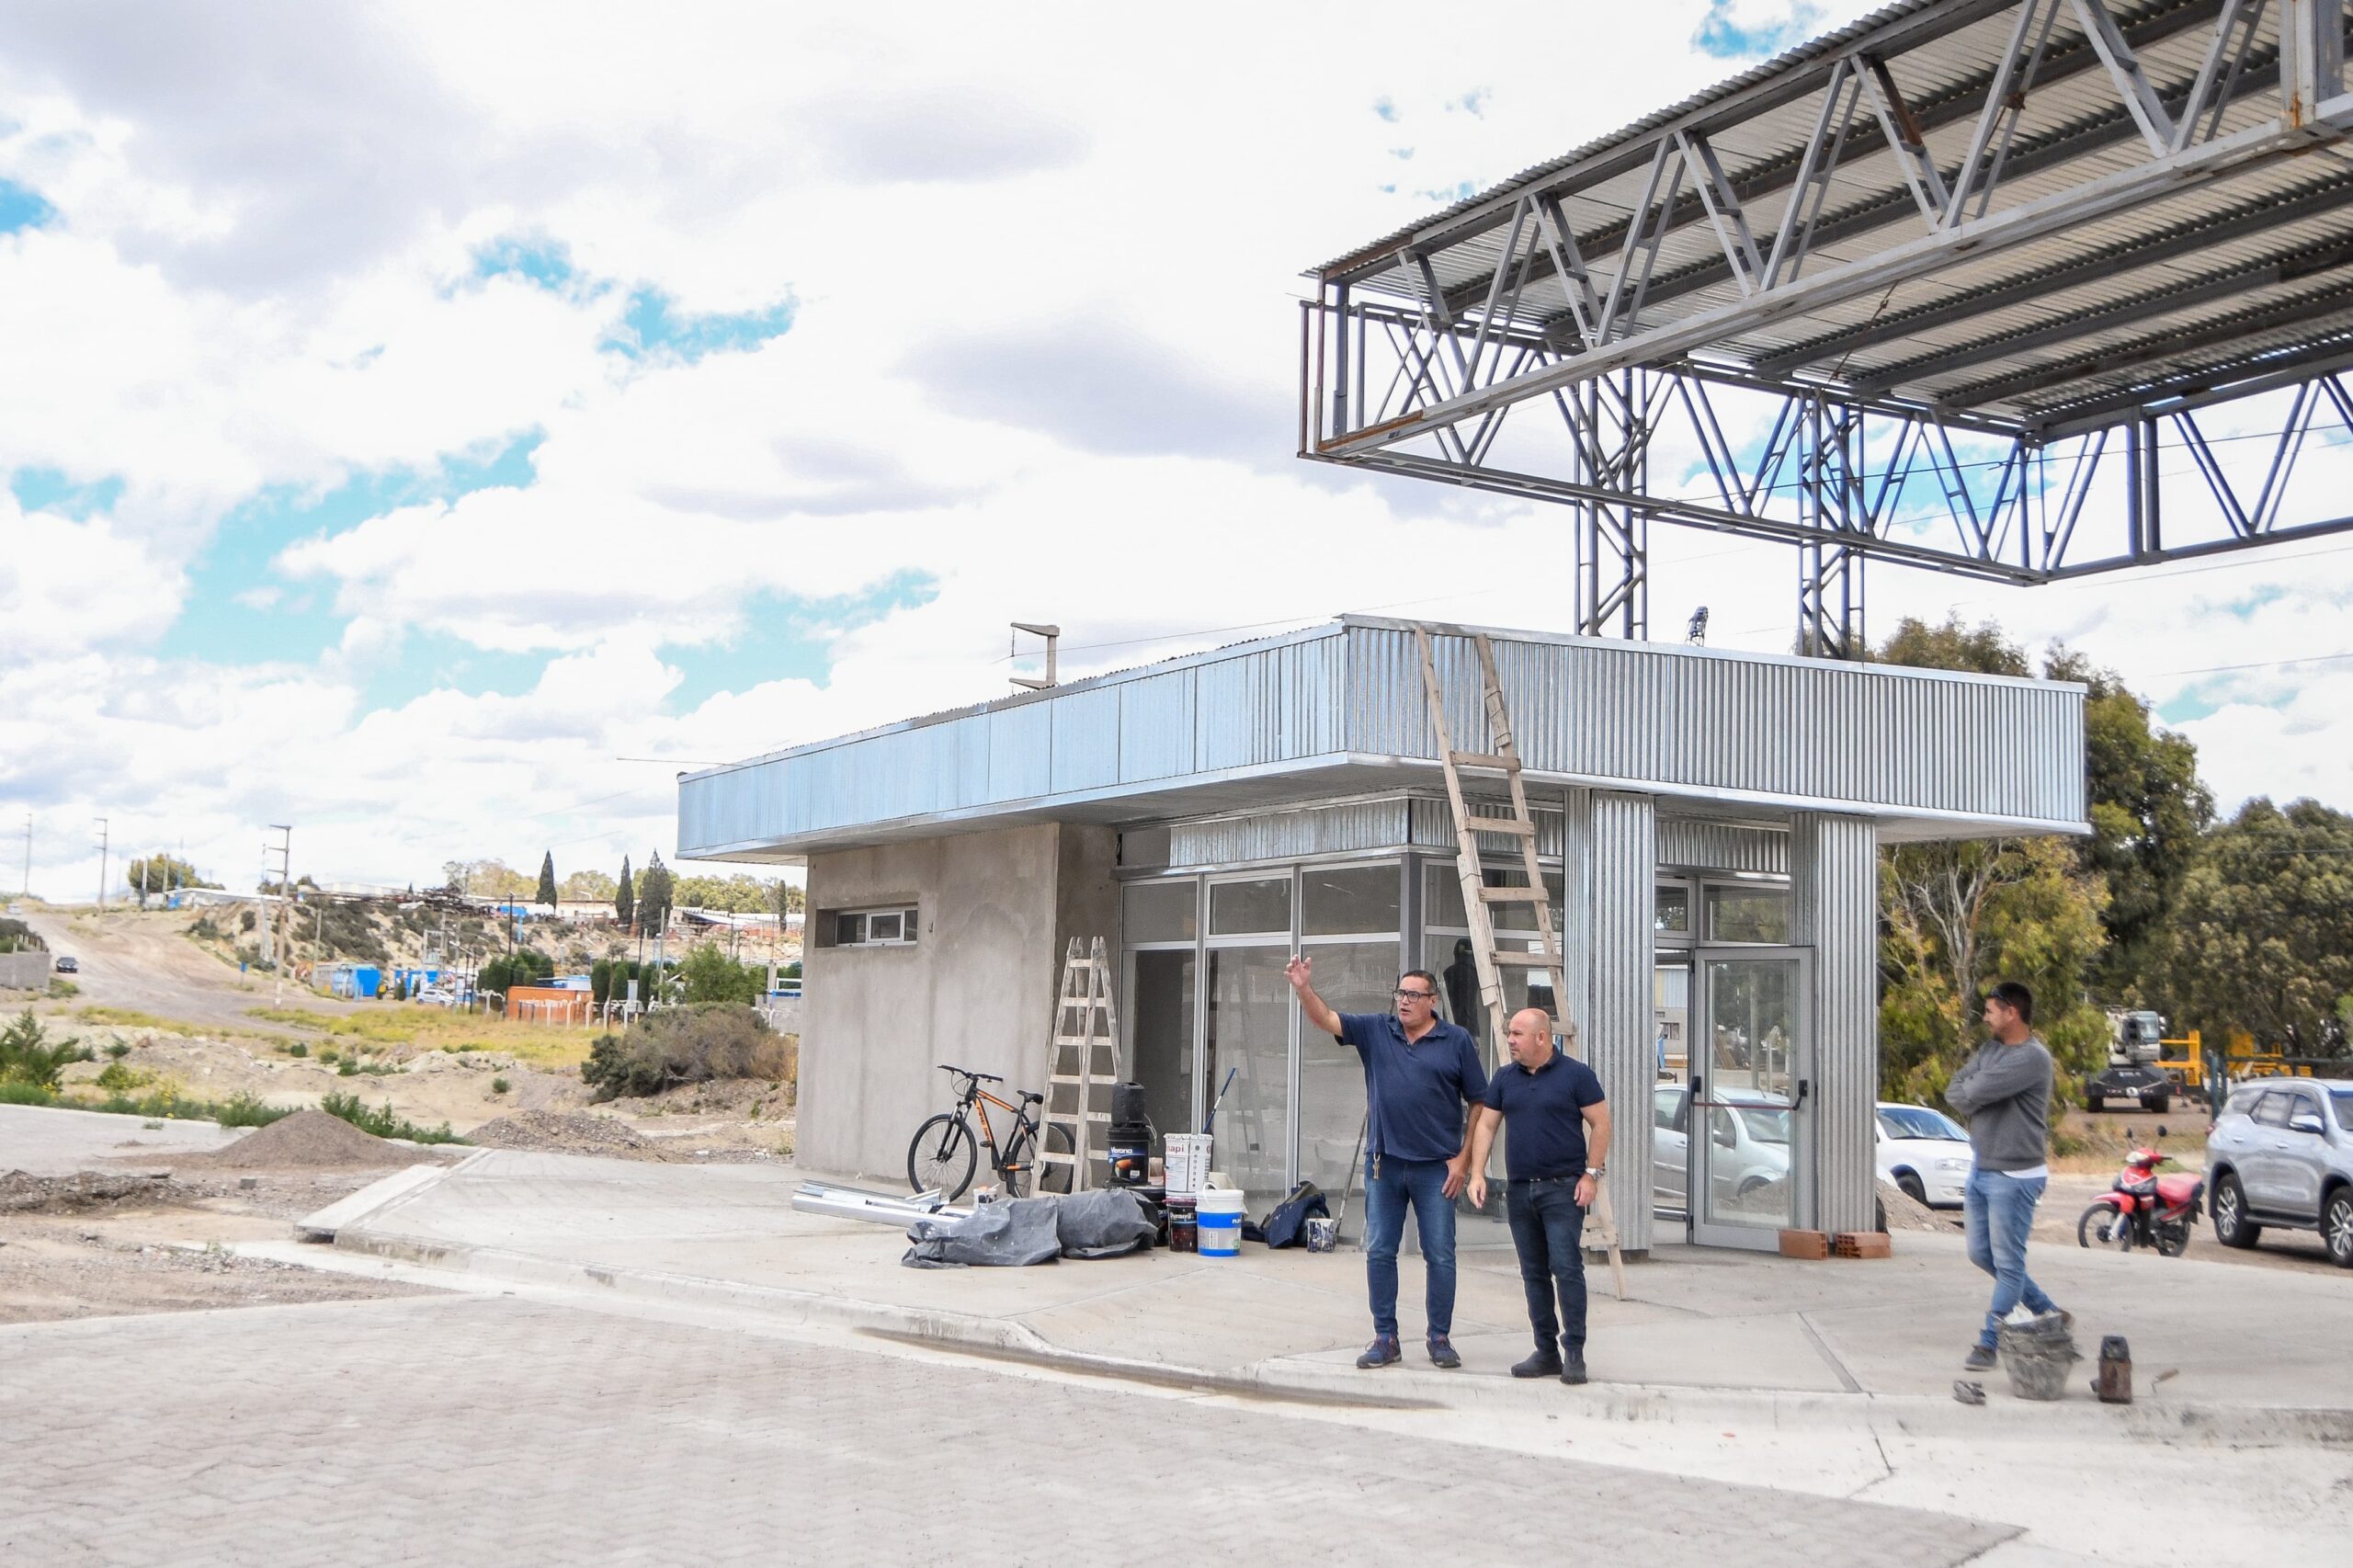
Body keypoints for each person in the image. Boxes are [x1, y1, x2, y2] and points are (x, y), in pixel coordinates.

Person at [1286, 956, 1486, 1370]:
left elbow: (1480, 1103)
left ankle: (1440, 1338)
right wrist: (1304, 988)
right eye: (1400, 993)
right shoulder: (1378, 1030)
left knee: (1440, 1254)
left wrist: (1464, 1160)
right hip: (1384, 1164)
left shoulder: (1457, 1041)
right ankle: (1385, 1338)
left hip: (1438, 1169)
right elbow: (1326, 1019)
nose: (1404, 1001)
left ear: (1432, 1001)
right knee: (1379, 1250)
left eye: (1414, 995)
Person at [1465, 1007, 1609, 1385]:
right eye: (1509, 1033)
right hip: (1520, 1190)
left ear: (1541, 1038)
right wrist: (1477, 1173)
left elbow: (1601, 1124)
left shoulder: (1576, 1075)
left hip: (1563, 1189)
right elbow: (1487, 1125)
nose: (1510, 1040)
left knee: (1566, 1267)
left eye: (1517, 1034)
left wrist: (1591, 1174)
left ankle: (1574, 1351)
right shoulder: (1504, 1078)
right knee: (1533, 1273)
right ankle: (1545, 1351)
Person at [1945, 980, 2067, 1371]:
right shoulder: (1990, 1050)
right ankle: (2046, 1311)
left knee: (2009, 1264)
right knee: (1980, 1254)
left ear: (2012, 1013)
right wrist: (1975, 1090)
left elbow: (1974, 1092)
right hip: (1982, 1168)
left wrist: (1976, 1090)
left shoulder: (2033, 1058)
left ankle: (1989, 1343)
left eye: (1990, 1011)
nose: (1985, 1017)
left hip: (2016, 1177)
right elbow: (1956, 1091)